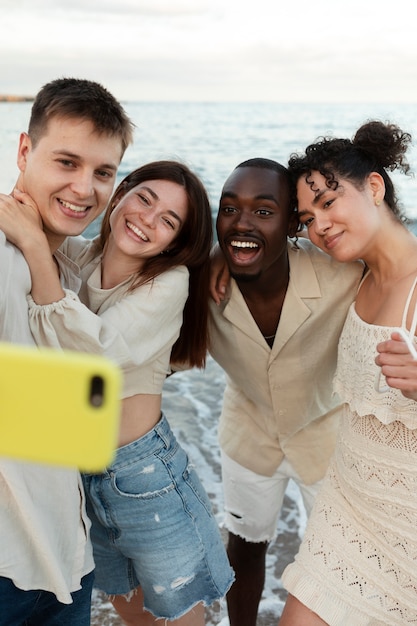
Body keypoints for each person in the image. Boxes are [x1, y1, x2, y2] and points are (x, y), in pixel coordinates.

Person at [1, 160, 235, 625]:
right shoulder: (79, 257)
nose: (148, 219)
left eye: (169, 221)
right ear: (121, 192)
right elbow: (38, 212)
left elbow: (90, 361)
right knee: (132, 613)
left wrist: (31, 244)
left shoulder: (170, 282)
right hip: (77, 474)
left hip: (143, 477)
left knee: (179, 617)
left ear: (176, 241)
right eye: (144, 198)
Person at [0, 77, 134, 626]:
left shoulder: (62, 265)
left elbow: (77, 425)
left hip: (63, 560)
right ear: (25, 151)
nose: (85, 188)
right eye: (67, 162)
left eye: (103, 172)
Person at [207, 158, 363, 626]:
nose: (243, 223)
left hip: (326, 441)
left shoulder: (345, 276)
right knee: (246, 545)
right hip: (249, 435)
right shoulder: (201, 286)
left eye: (264, 211)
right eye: (230, 209)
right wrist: (218, 255)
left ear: (295, 223)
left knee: (338, 561)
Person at [278, 120, 417, 625]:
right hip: (348, 507)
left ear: (374, 186)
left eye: (328, 203)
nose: (319, 226)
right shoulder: (353, 275)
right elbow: (269, 262)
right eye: (307, 218)